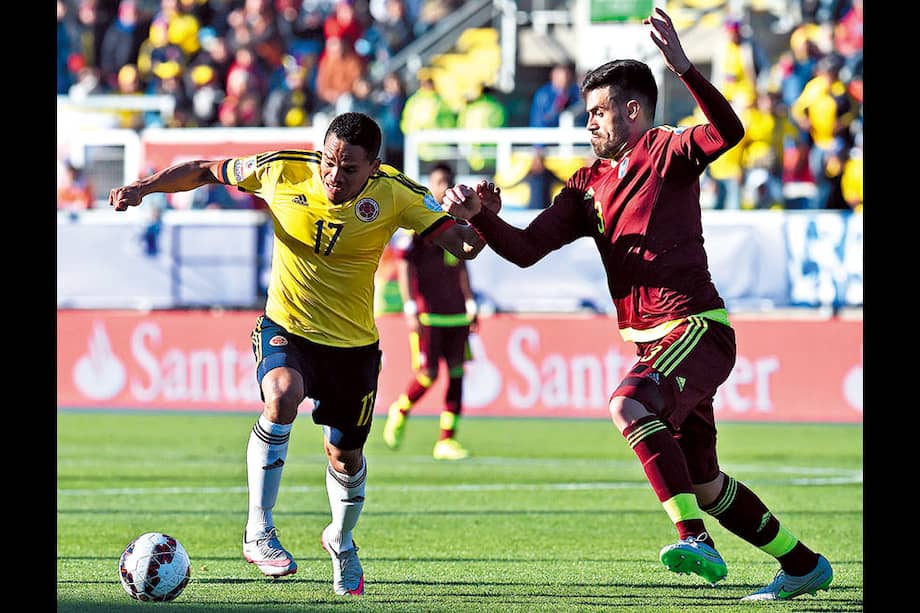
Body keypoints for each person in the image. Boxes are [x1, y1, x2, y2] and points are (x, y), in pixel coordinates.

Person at [440, 8, 833, 602]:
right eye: (587, 113)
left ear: (632, 111)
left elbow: (728, 131)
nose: (589, 123)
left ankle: (693, 539)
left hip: (696, 328)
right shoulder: (585, 185)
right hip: (654, 343)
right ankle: (802, 565)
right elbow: (524, 251)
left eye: (598, 112)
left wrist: (684, 69)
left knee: (628, 404)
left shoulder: (665, 149)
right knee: (704, 483)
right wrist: (483, 218)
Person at [108, 111, 486, 596]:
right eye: (328, 161)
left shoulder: (397, 193)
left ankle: (341, 540)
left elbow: (463, 246)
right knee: (282, 393)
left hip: (352, 347)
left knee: (345, 456)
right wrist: (143, 188)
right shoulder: (282, 169)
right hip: (286, 326)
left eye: (349, 168)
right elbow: (204, 170)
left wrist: (481, 217)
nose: (333, 175)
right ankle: (258, 528)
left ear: (374, 167)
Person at [382, 162, 478, 460]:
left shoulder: (459, 222)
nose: (444, 187)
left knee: (457, 373)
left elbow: (462, 263)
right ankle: (401, 409)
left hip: (457, 312)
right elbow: (404, 263)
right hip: (429, 312)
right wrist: (410, 306)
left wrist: (470, 301)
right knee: (429, 374)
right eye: (439, 182)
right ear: (430, 185)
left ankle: (446, 440)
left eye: (448, 181)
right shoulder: (418, 219)